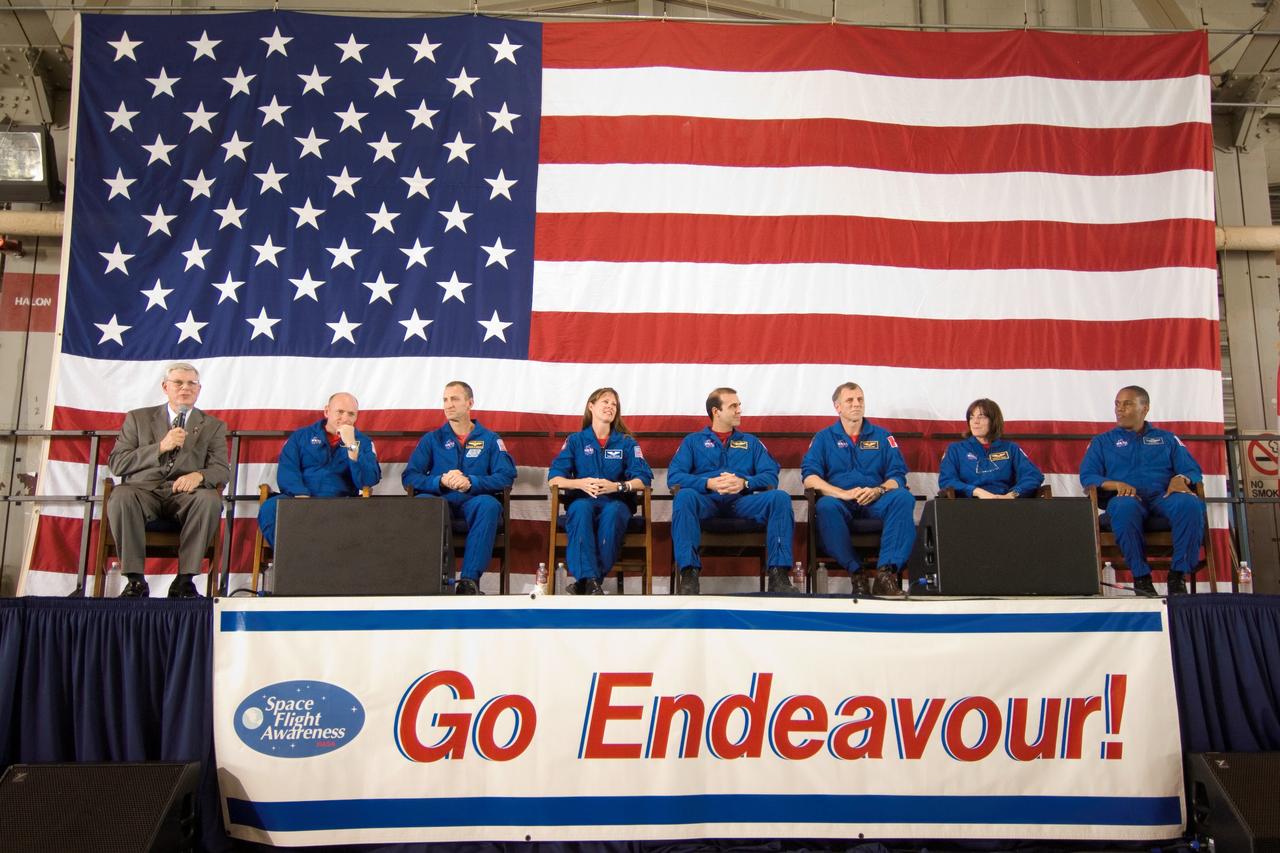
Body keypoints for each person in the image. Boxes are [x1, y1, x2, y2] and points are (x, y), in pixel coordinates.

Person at [106, 362, 229, 598]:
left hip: (184, 495)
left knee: (209, 500)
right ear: (165, 387)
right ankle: (135, 580)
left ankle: (184, 581)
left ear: (199, 389)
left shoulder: (212, 426)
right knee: (121, 496)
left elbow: (222, 470)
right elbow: (118, 464)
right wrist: (161, 446)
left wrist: (199, 475)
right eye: (178, 383)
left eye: (191, 383)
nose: (185, 388)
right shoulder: (138, 419)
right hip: (143, 492)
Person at [668, 387, 797, 596]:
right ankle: (689, 575)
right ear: (715, 412)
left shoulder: (751, 442)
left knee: (779, 498)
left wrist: (744, 483)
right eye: (733, 406)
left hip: (741, 503)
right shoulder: (692, 441)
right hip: (706, 501)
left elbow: (770, 474)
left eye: (739, 405)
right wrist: (708, 483)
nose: (739, 410)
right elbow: (674, 477)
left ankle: (778, 575)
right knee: (684, 496)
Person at [1079, 385, 1204, 596]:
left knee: (1190, 503)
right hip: (1126, 501)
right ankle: (1141, 578)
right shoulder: (1102, 442)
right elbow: (1088, 477)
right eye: (1117, 404)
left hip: (1162, 498)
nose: (1120, 409)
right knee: (1123, 506)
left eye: (1127, 404)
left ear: (1145, 408)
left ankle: (1178, 576)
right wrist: (1116, 484)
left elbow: (1193, 470)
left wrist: (1180, 478)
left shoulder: (1167, 439)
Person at [402, 381, 516, 595]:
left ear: (469, 403)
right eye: (445, 399)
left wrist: (472, 481)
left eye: (454, 399)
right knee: (424, 503)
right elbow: (410, 477)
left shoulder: (490, 439)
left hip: (474, 501)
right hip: (441, 501)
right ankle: (430, 581)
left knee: (489, 505)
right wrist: (440, 481)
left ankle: (468, 583)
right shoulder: (432, 439)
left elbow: (506, 476)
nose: (448, 405)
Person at [802, 382, 913, 597]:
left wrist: (878, 490)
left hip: (876, 500)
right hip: (840, 500)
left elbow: (897, 476)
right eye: (850, 400)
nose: (856, 404)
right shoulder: (824, 438)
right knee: (825, 506)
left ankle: (885, 574)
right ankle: (857, 572)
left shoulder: (883, 436)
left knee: (903, 498)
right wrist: (841, 493)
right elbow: (810, 478)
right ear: (838, 407)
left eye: (860, 400)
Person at [547, 388, 654, 595]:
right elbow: (554, 479)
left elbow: (644, 478)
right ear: (591, 406)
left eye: (614, 404)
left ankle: (586, 581)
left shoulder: (626, 442)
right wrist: (580, 483)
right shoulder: (576, 441)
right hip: (583, 501)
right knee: (580, 510)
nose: (610, 407)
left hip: (616, 502)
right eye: (605, 402)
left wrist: (618, 486)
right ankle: (591, 582)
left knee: (613, 513)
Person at [257, 392, 381, 547]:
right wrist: (301, 496)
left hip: (341, 502)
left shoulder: (363, 442)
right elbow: (287, 470)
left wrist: (351, 445)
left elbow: (369, 480)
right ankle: (290, 562)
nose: (345, 418)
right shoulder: (300, 437)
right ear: (327, 411)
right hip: (301, 499)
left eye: (351, 414)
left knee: (363, 517)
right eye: (340, 412)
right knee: (270, 509)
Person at [938, 398, 1044, 499]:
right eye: (971, 417)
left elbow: (1033, 476)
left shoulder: (1010, 448)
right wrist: (977, 492)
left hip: (1005, 505)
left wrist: (1012, 495)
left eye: (981, 417)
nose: (975, 421)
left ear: (993, 421)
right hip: (967, 506)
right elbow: (947, 480)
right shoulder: (956, 449)